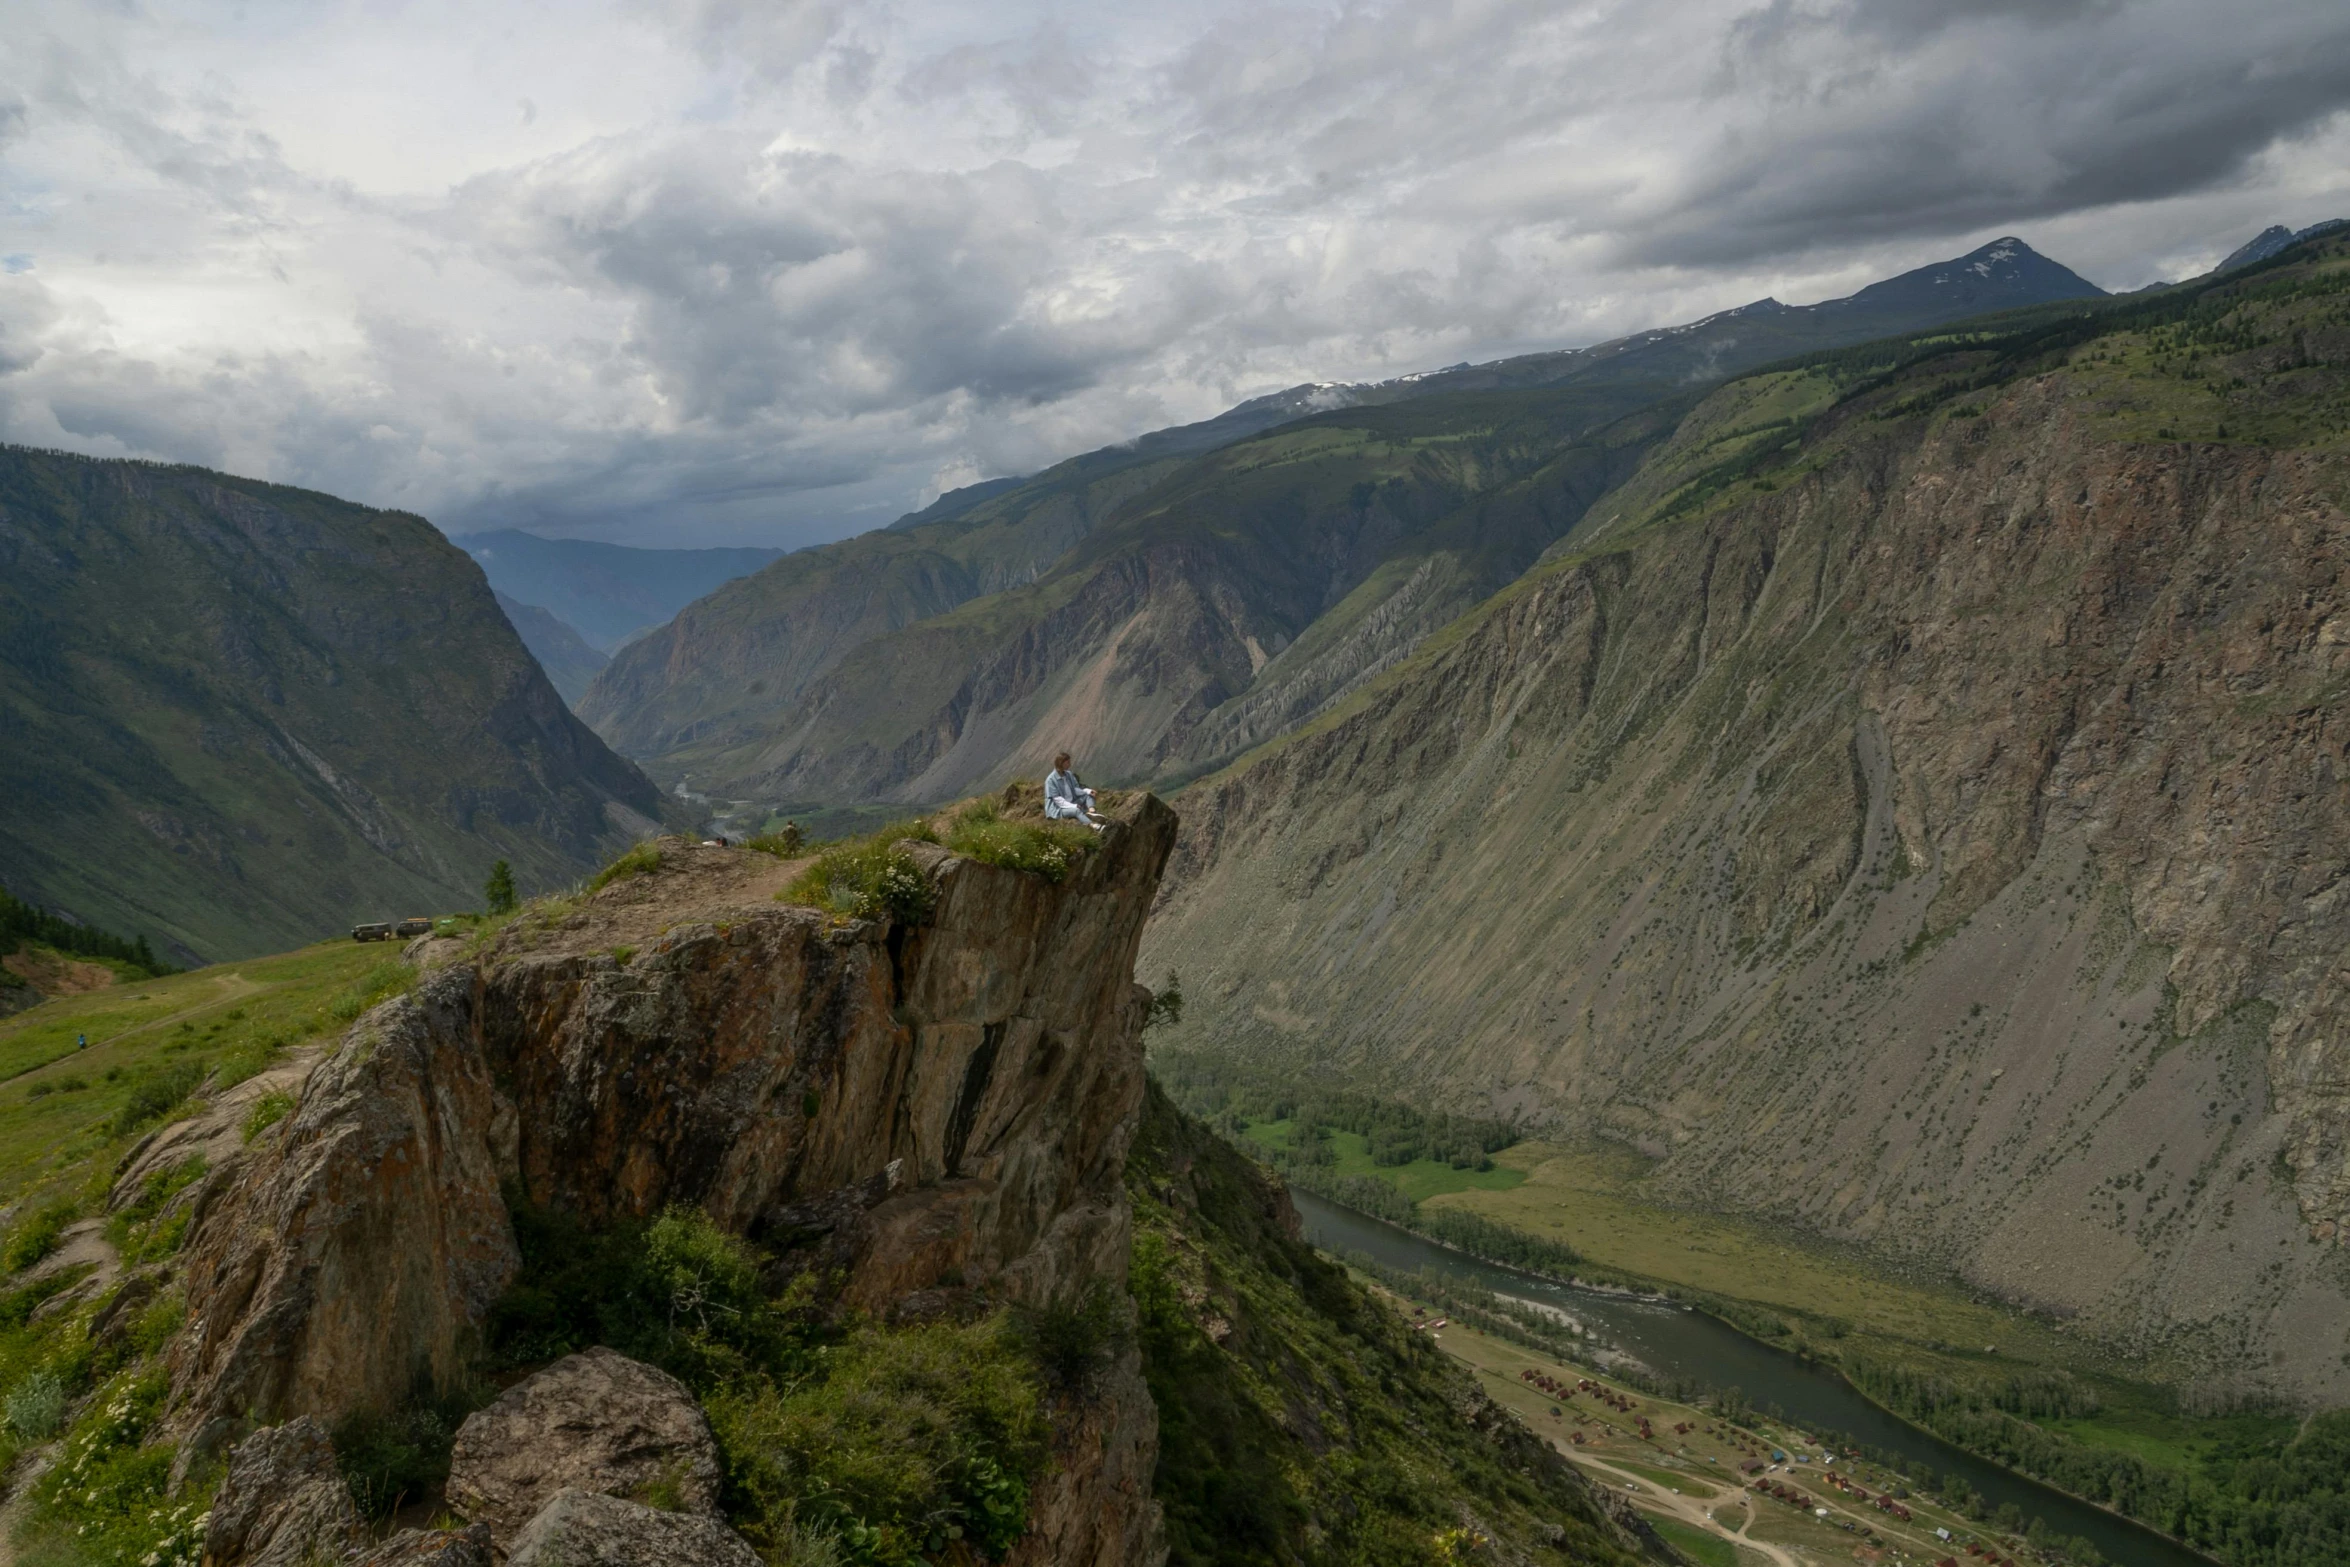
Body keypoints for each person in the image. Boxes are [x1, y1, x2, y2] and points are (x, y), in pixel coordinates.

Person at [1044, 752, 1106, 830]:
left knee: (1088, 795)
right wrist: (1073, 806)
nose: (1069, 765)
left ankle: (1092, 812)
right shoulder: (1051, 780)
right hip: (1058, 809)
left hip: (1071, 802)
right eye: (1067, 763)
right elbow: (1057, 800)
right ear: (1061, 763)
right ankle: (1094, 826)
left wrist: (1088, 791)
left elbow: (1075, 789)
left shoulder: (1068, 774)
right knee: (1076, 811)